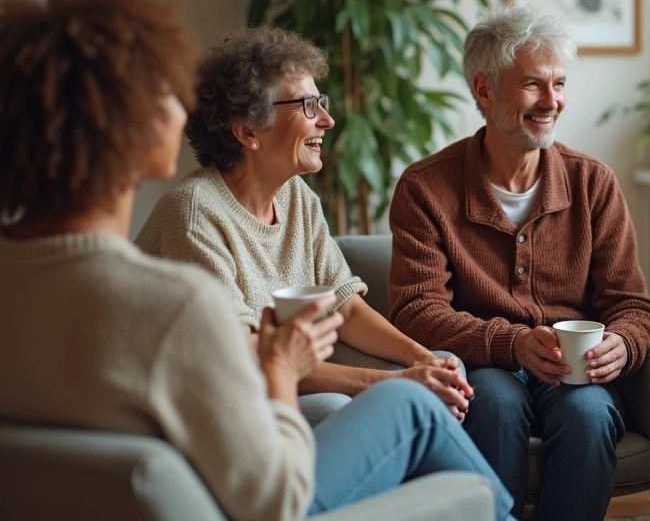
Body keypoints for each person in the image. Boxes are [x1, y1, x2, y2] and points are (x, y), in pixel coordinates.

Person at [0, 0, 513, 520]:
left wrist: (409, 358)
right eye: (164, 92)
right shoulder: (175, 302)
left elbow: (341, 302)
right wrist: (281, 368)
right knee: (413, 408)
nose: (183, 108)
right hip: (257, 493)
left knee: (419, 385)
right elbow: (274, 500)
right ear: (132, 126)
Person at [388, 4, 650, 521]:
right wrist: (510, 343)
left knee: (589, 412)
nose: (552, 101)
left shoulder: (592, 183)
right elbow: (415, 312)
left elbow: (632, 305)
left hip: (571, 370)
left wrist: (621, 345)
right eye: (533, 85)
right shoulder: (426, 188)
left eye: (558, 83)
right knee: (493, 400)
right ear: (485, 90)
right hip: (485, 365)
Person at [136, 26, 471, 426]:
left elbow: (343, 308)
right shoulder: (193, 216)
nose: (328, 121)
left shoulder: (296, 196)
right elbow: (249, 357)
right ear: (247, 132)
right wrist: (396, 381)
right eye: (308, 106)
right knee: (342, 407)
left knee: (446, 364)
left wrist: (423, 359)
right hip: (218, 403)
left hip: (280, 377)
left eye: (321, 103)